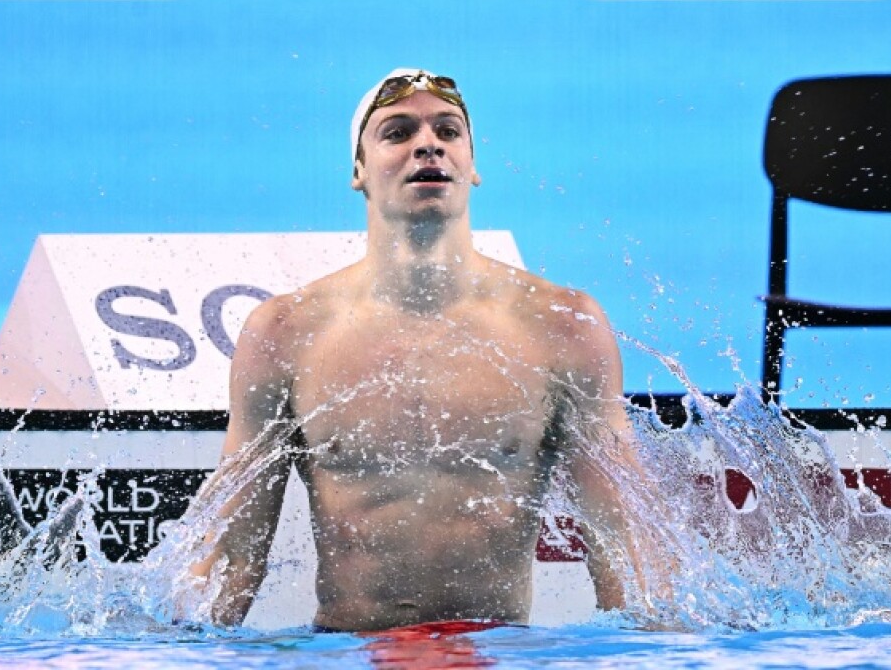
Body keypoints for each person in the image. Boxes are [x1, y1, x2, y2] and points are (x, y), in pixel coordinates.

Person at [187, 68, 670, 631]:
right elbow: (232, 551)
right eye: (397, 133)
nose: (427, 143)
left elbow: (623, 544)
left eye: (448, 130)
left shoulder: (561, 326)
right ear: (358, 171)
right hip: (347, 655)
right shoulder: (286, 331)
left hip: (496, 656)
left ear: (471, 164)